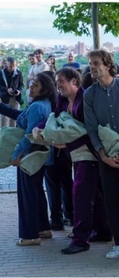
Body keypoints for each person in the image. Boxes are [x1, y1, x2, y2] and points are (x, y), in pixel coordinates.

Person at [34, 67, 111, 254]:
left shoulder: (85, 100)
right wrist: (39, 128)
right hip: (76, 154)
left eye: (61, 81)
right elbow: (56, 119)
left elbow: (90, 131)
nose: (57, 85)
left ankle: (80, 240)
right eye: (56, 81)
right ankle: (103, 231)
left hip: (90, 153)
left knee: (81, 195)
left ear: (74, 82)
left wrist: (65, 145)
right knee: (96, 195)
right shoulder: (61, 100)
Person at [83, 49, 119, 260]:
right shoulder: (89, 94)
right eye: (90, 63)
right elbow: (91, 128)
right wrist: (103, 154)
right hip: (105, 155)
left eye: (96, 62)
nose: (92, 66)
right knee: (110, 198)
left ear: (108, 65)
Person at [0, 72, 56, 246]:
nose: (30, 87)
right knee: (36, 191)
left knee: (28, 194)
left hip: (30, 156)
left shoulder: (38, 107)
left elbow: (29, 135)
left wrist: (16, 155)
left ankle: (30, 235)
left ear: (44, 89)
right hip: (37, 157)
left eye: (35, 85)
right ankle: (42, 228)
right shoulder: (42, 104)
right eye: (31, 84)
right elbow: (21, 116)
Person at [0, 57, 24, 127]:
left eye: (14, 66)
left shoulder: (18, 73)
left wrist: (19, 90)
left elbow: (21, 84)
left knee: (14, 116)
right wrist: (6, 89)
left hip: (15, 97)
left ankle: (12, 133)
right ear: (6, 64)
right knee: (3, 117)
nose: (12, 68)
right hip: (4, 97)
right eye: (10, 66)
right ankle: (3, 133)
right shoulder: (1, 73)